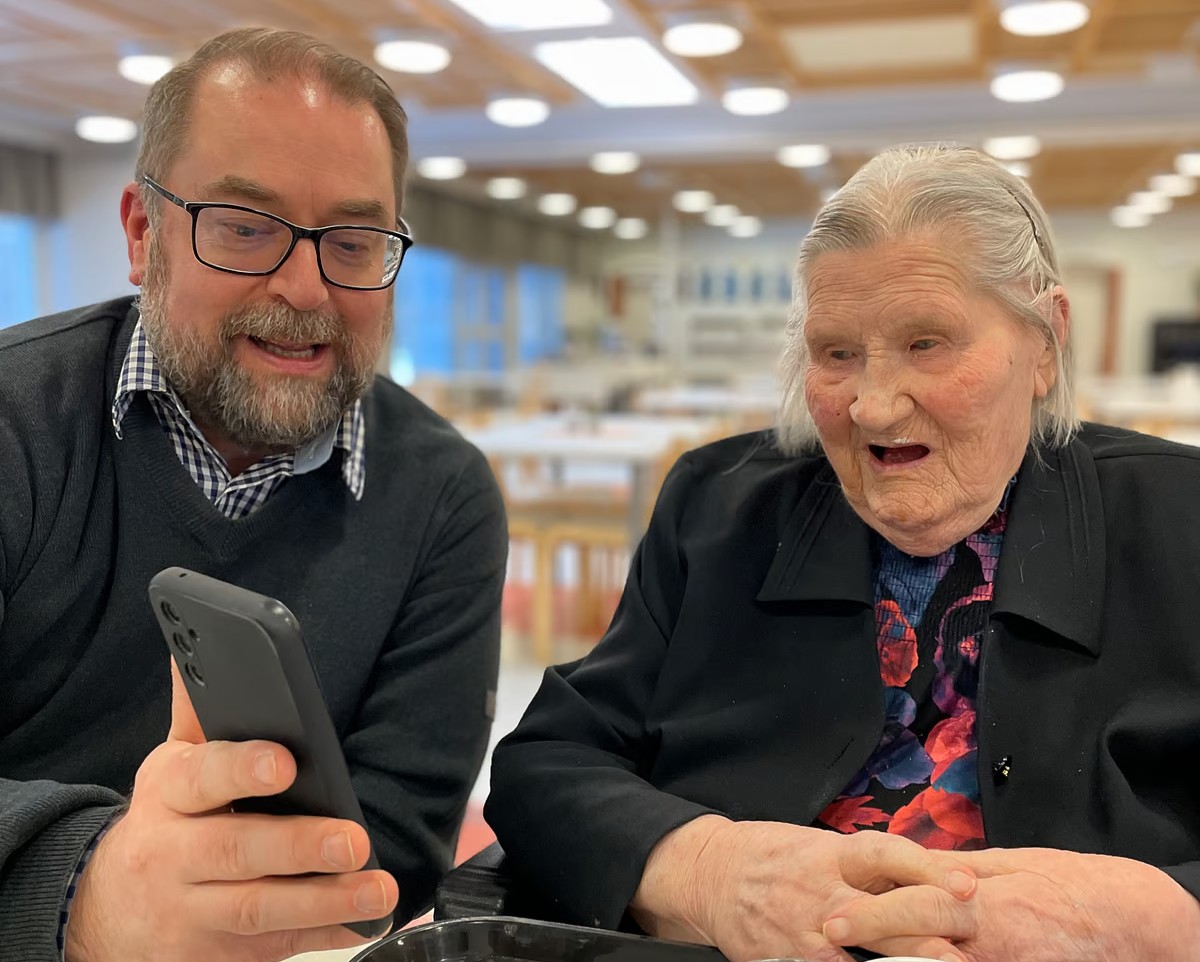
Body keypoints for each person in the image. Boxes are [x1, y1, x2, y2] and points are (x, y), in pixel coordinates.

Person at [486, 144, 1200, 962]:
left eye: (927, 343)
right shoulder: (718, 508)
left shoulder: (1181, 519)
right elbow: (546, 764)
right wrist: (708, 870)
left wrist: (1163, 916)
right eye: (836, 353)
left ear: (1045, 342)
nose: (872, 404)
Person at [0, 27, 507, 962]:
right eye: (245, 227)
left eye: (353, 241)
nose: (305, 286)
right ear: (143, 232)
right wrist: (83, 894)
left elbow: (394, 850)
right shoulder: (15, 427)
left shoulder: (444, 496)